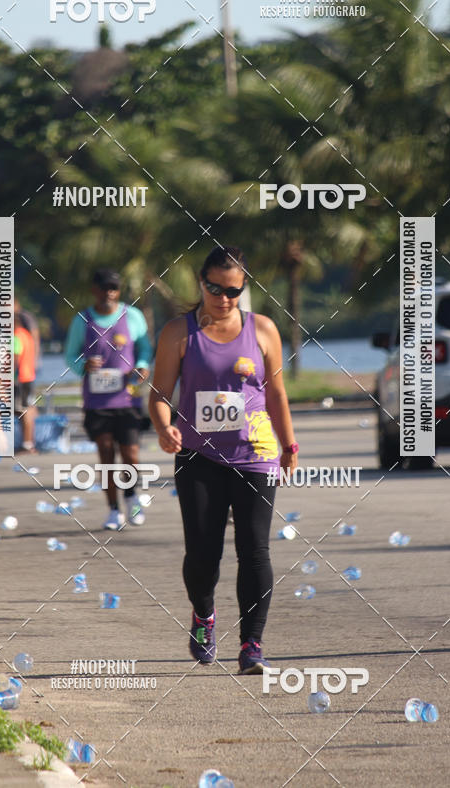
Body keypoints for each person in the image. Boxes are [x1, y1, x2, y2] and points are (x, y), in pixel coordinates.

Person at [149, 247, 298, 674]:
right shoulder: (178, 333)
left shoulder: (264, 329)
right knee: (202, 554)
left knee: (254, 551)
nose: (224, 297)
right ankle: (204, 615)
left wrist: (289, 446)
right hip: (199, 457)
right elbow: (159, 395)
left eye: (233, 290)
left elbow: (276, 394)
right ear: (202, 284)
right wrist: (164, 427)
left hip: (256, 456)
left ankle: (252, 645)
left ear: (243, 288)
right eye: (215, 288)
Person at [65, 268, 152, 529]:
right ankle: (113, 510)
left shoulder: (132, 316)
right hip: (97, 402)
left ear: (119, 291)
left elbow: (145, 347)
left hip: (128, 400)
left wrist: (144, 364)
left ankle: (131, 497)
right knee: (105, 454)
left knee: (131, 454)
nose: (109, 293)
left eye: (113, 288)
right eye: (104, 288)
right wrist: (83, 365)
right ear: (94, 290)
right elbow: (70, 355)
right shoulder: (82, 320)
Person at [14, 313, 37, 453]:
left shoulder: (16, 336)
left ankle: (27, 444)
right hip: (29, 376)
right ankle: (28, 443)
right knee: (28, 409)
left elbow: (14, 359)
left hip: (20, 378)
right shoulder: (26, 335)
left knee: (22, 411)